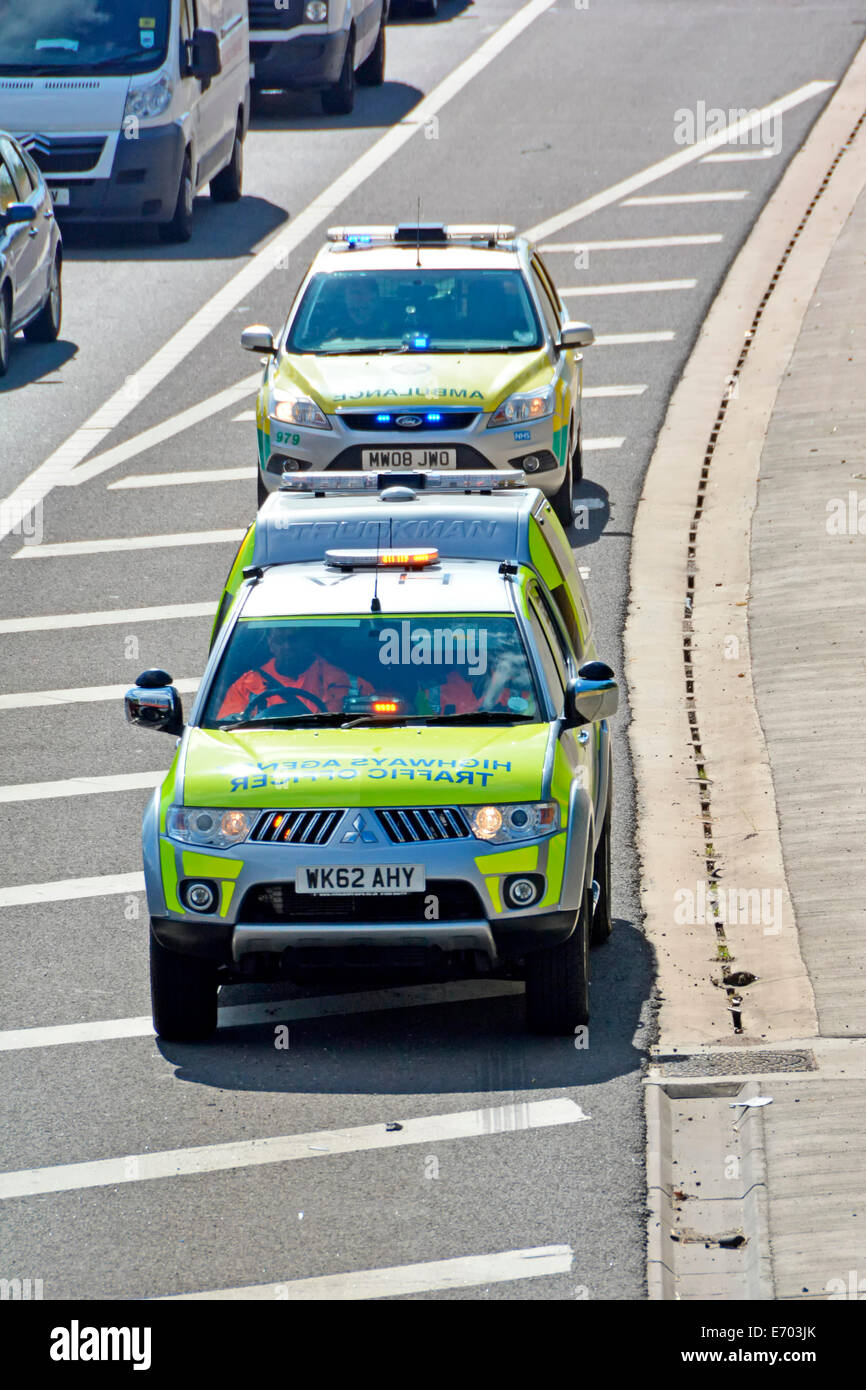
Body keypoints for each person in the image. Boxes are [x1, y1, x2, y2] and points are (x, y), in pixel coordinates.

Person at [218, 628, 373, 719]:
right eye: (280, 640)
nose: (287, 647)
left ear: (310, 641)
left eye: (294, 639)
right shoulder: (247, 686)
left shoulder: (347, 683)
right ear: (270, 645)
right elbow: (228, 731)